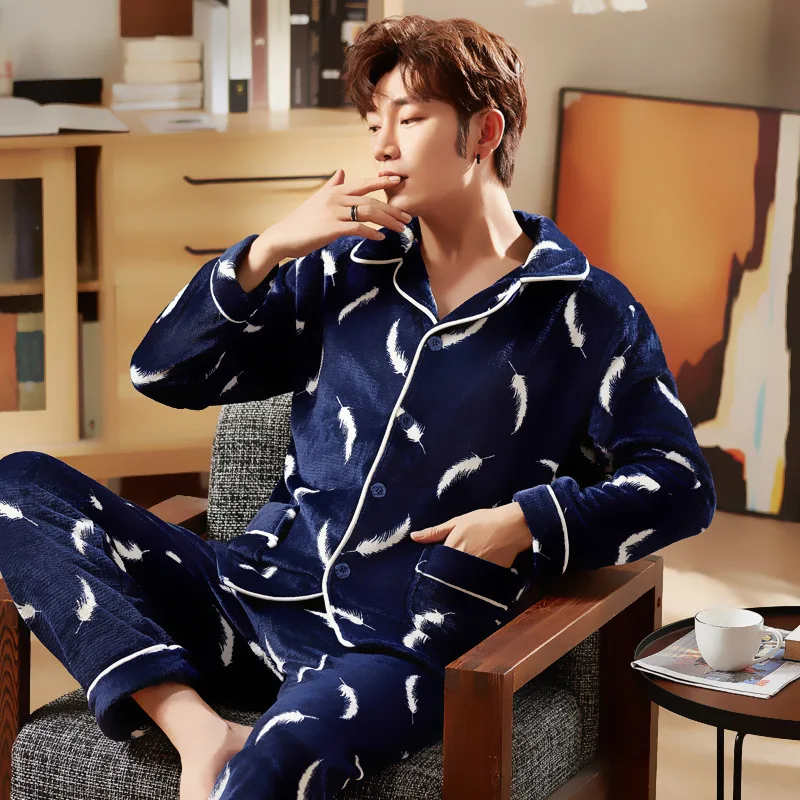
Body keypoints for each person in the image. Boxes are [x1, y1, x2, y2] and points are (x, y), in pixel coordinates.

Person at [0, 13, 716, 800]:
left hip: (402, 642)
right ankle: (199, 729)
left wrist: (523, 522)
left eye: (410, 119)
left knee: (276, 760)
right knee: (17, 482)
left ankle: (242, 746)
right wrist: (269, 249)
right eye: (375, 123)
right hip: (255, 595)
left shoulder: (585, 311)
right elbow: (161, 372)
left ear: (484, 131)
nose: (382, 147)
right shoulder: (345, 273)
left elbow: (681, 484)